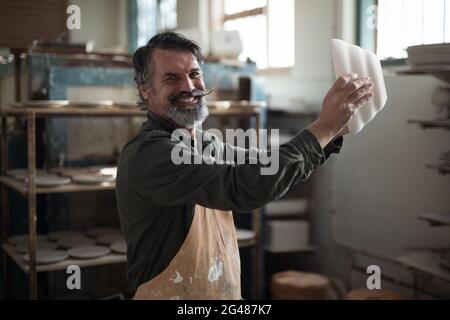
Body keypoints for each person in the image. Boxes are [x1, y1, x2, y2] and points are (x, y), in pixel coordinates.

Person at [115, 31, 374, 300]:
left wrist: (333, 131)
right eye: (171, 78)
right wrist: (323, 126)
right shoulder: (150, 154)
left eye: (194, 74)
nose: (190, 87)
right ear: (145, 90)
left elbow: (266, 165)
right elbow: (245, 186)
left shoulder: (205, 144)